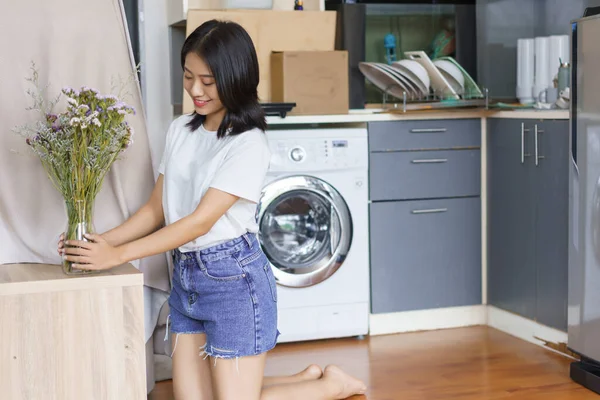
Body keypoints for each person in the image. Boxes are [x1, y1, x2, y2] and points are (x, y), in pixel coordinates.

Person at [60, 19, 367, 400]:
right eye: (188, 76)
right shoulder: (180, 130)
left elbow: (199, 222)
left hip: (234, 282)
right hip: (187, 277)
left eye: (208, 81)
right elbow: (156, 208)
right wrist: (96, 242)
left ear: (236, 78)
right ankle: (307, 379)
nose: (194, 90)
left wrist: (118, 255)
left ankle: (333, 385)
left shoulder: (248, 144)